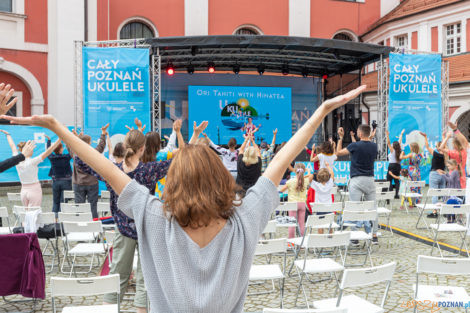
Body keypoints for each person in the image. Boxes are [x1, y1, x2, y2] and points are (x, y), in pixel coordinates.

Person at [0, 84, 366, 313]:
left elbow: (106, 169)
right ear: (221, 179)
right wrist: (321, 111)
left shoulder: (151, 215)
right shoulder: (246, 219)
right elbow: (283, 157)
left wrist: (57, 129)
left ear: (171, 181)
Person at [75, 129, 173, 313]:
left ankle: (110, 308)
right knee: (146, 279)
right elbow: (178, 160)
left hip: (123, 229)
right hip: (146, 229)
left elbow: (81, 161)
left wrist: (81, 143)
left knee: (117, 275)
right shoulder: (150, 170)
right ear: (142, 148)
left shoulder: (113, 171)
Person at [337, 124, 379, 244]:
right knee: (373, 208)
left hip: (357, 179)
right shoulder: (374, 146)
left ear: (360, 134)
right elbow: (368, 142)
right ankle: (374, 235)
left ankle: (355, 236)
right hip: (370, 179)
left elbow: (338, 152)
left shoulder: (354, 145)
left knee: (354, 207)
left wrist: (341, 138)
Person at [1, 129, 60, 207]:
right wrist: (60, 139)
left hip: (23, 190)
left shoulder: (16, 160)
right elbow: (49, 151)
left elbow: (13, 146)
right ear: (28, 150)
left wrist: (8, 135)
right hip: (34, 189)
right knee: (34, 213)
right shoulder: (32, 161)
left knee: (26, 213)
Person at [70, 124, 108, 218]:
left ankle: (80, 226)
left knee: (79, 206)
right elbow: (101, 146)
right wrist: (103, 134)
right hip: (92, 183)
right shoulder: (93, 153)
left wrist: (75, 138)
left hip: (78, 183)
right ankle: (94, 227)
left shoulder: (75, 152)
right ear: (89, 143)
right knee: (93, 206)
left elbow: (70, 144)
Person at [279, 163, 313, 238]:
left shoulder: (290, 181)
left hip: (292, 204)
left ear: (295, 171)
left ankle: (291, 241)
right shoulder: (306, 181)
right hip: (302, 204)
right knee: (301, 223)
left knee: (292, 224)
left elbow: (281, 190)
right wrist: (308, 171)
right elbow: (311, 176)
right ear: (303, 171)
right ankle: (301, 241)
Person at [420, 132, 446, 216]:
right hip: (443, 174)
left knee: (434, 193)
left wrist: (425, 137)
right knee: (443, 193)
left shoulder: (435, 153)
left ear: (437, 147)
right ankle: (445, 210)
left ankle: (435, 211)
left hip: (434, 173)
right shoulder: (446, 155)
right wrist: (443, 136)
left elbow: (427, 146)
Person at [46, 135, 72, 215]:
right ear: (61, 149)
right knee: (63, 202)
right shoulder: (66, 157)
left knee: (55, 201)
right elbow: (72, 151)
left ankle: (55, 219)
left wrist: (49, 141)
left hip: (56, 182)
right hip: (66, 182)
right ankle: (62, 219)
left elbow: (48, 151)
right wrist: (68, 140)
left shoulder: (52, 158)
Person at [308, 162, 335, 234]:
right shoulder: (330, 184)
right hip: (329, 207)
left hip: (319, 207)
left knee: (320, 224)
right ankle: (330, 237)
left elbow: (309, 179)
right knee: (330, 224)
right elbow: (332, 174)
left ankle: (320, 238)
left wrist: (313, 174)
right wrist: (328, 166)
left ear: (318, 177)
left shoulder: (316, 185)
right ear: (328, 177)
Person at [385, 130, 404, 199]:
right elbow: (399, 142)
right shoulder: (399, 150)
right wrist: (401, 134)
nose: (392, 145)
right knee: (397, 181)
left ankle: (390, 194)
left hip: (392, 166)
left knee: (389, 180)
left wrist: (387, 135)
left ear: (394, 146)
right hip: (398, 166)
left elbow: (388, 143)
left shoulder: (392, 150)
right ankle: (397, 195)